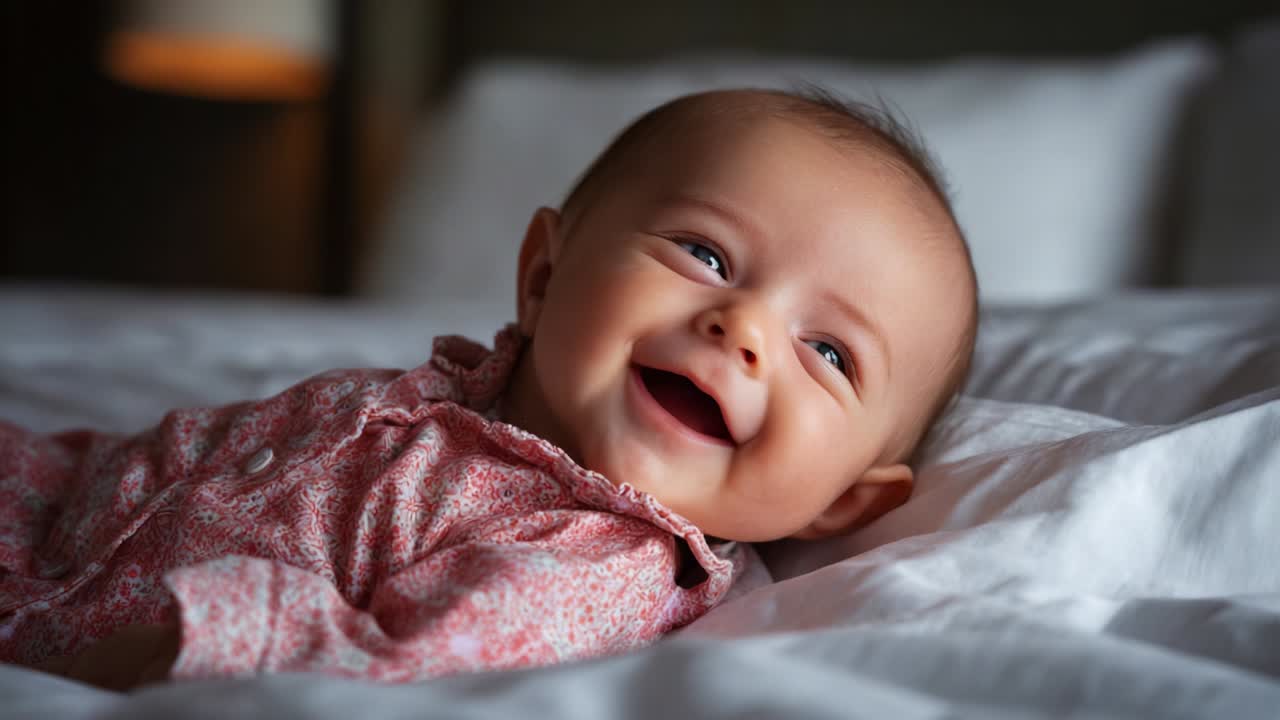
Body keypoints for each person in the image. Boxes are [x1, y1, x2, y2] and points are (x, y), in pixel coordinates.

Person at [0, 87, 978, 690]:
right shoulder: (464, 390)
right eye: (703, 253)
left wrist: (177, 646)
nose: (747, 329)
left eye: (830, 353)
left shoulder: (592, 564)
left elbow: (411, 661)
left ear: (843, 500)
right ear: (545, 276)